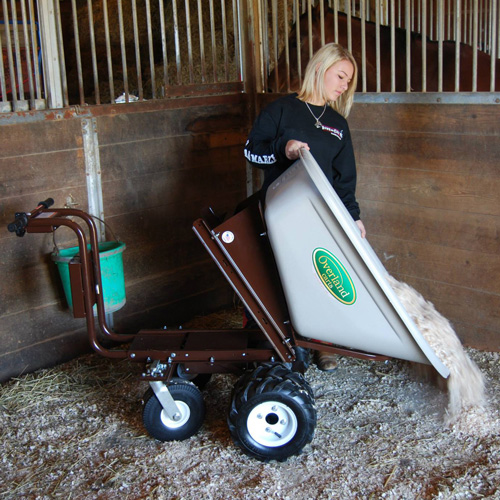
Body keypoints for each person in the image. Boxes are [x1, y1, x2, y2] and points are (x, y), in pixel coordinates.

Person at [244, 43, 366, 372]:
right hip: (280, 212)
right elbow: (252, 152)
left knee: (323, 275)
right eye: (340, 76)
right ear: (320, 68)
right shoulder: (281, 110)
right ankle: (270, 340)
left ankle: (322, 344)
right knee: (274, 274)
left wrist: (353, 216)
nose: (343, 86)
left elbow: (344, 178)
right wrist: (284, 148)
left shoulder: (339, 124)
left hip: (321, 216)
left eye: (348, 82)